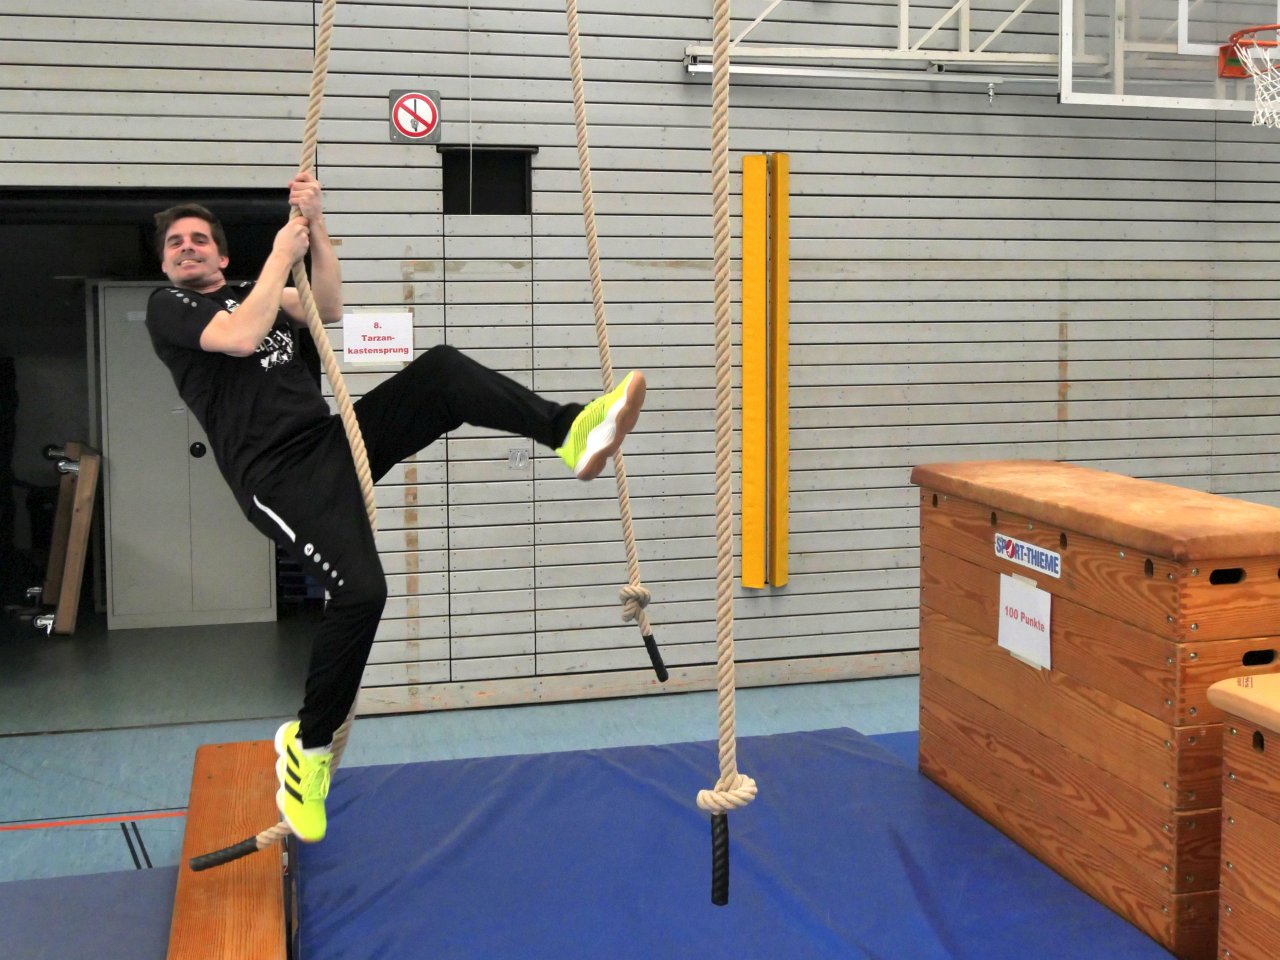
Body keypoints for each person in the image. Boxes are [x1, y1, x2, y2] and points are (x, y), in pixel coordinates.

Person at [145, 172, 645, 843]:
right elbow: (238, 336)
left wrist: (317, 227)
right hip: (278, 477)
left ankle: (569, 431)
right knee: (361, 594)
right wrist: (280, 253)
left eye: (199, 240)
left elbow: (326, 307)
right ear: (166, 263)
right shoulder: (170, 307)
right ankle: (309, 749)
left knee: (440, 372)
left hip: (330, 444)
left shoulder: (251, 290)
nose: (187, 248)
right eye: (176, 243)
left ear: (221, 254)